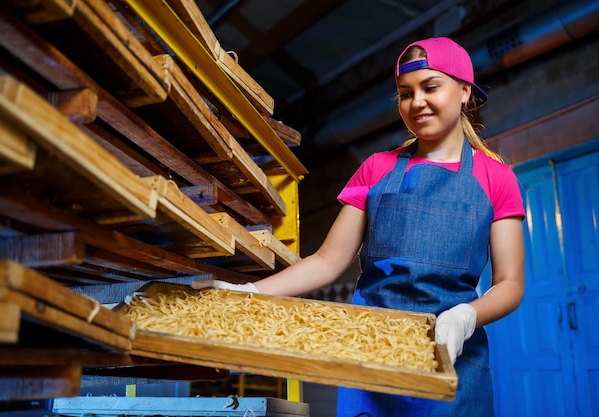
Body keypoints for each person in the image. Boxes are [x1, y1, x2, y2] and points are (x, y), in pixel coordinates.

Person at [193, 37, 525, 417]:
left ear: (465, 91)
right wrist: (248, 292)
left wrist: (466, 317)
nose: (416, 102)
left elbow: (510, 284)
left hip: (453, 357)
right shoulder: (377, 168)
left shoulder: (496, 177)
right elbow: (327, 261)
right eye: (405, 93)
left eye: (431, 87)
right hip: (371, 355)